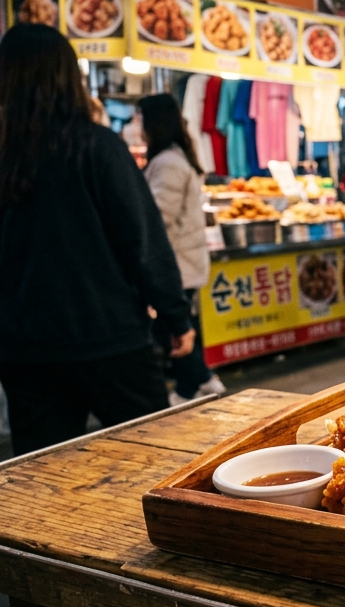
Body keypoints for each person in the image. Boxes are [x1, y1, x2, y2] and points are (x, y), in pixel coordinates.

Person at [0, 24, 194, 455]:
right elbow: (142, 241)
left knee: (41, 473)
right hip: (110, 337)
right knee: (154, 461)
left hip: (25, 348)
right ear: (69, 77)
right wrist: (175, 316)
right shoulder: (96, 146)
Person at [139, 93, 225, 404]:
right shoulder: (175, 158)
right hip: (184, 263)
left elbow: (157, 221)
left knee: (175, 331)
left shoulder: (168, 163)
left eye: (140, 120)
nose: (138, 128)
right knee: (184, 328)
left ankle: (188, 390)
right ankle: (206, 380)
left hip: (177, 266)